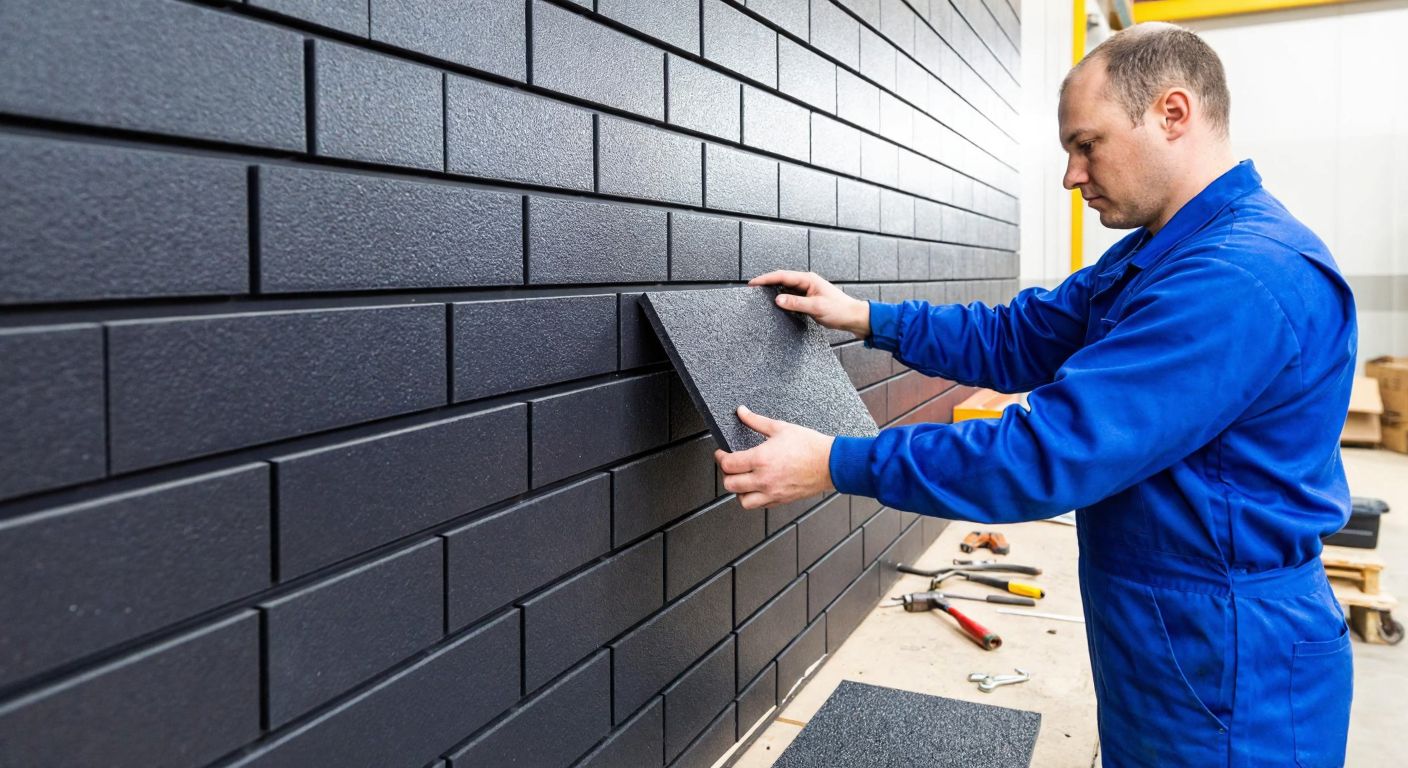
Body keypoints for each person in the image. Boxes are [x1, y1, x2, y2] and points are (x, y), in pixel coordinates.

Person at [717, 22, 1356, 767]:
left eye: (1088, 145)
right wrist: (865, 316)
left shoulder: (1235, 279)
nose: (1072, 176)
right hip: (1169, 631)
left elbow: (1048, 451)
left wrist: (838, 463)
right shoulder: (1164, 251)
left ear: (1173, 114)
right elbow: (1021, 337)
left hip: (1233, 657)